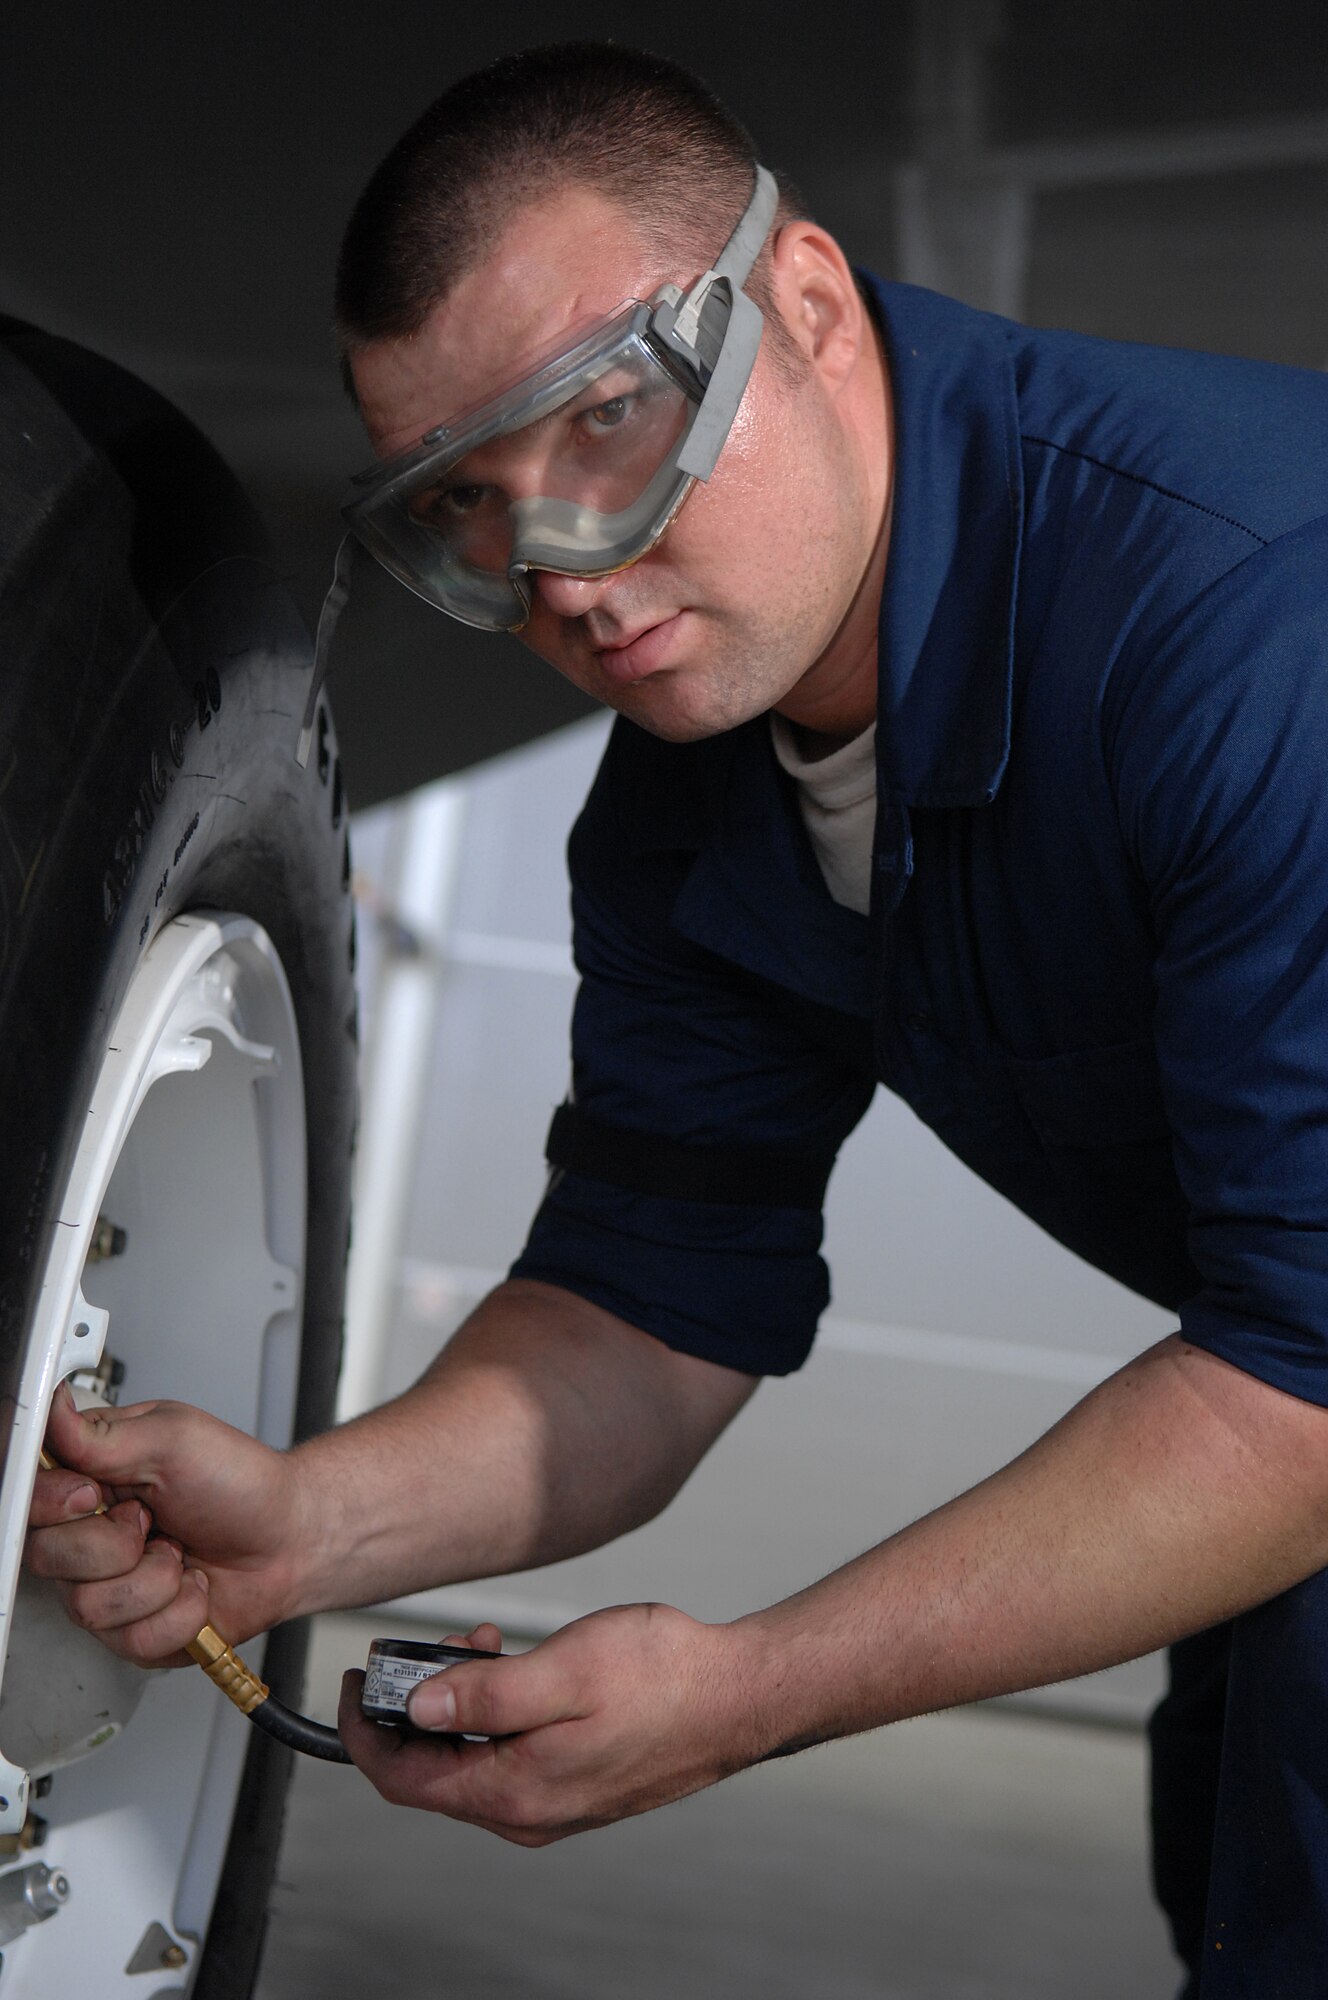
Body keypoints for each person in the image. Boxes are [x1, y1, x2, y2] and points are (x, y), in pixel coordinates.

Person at [27, 40, 1328, 1996]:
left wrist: (753, 1688)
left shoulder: (1244, 631)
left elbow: (1308, 1375)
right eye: (469, 511)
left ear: (799, 299)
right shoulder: (692, 793)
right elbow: (649, 1305)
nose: (561, 571)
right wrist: (309, 1521)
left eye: (610, 424)